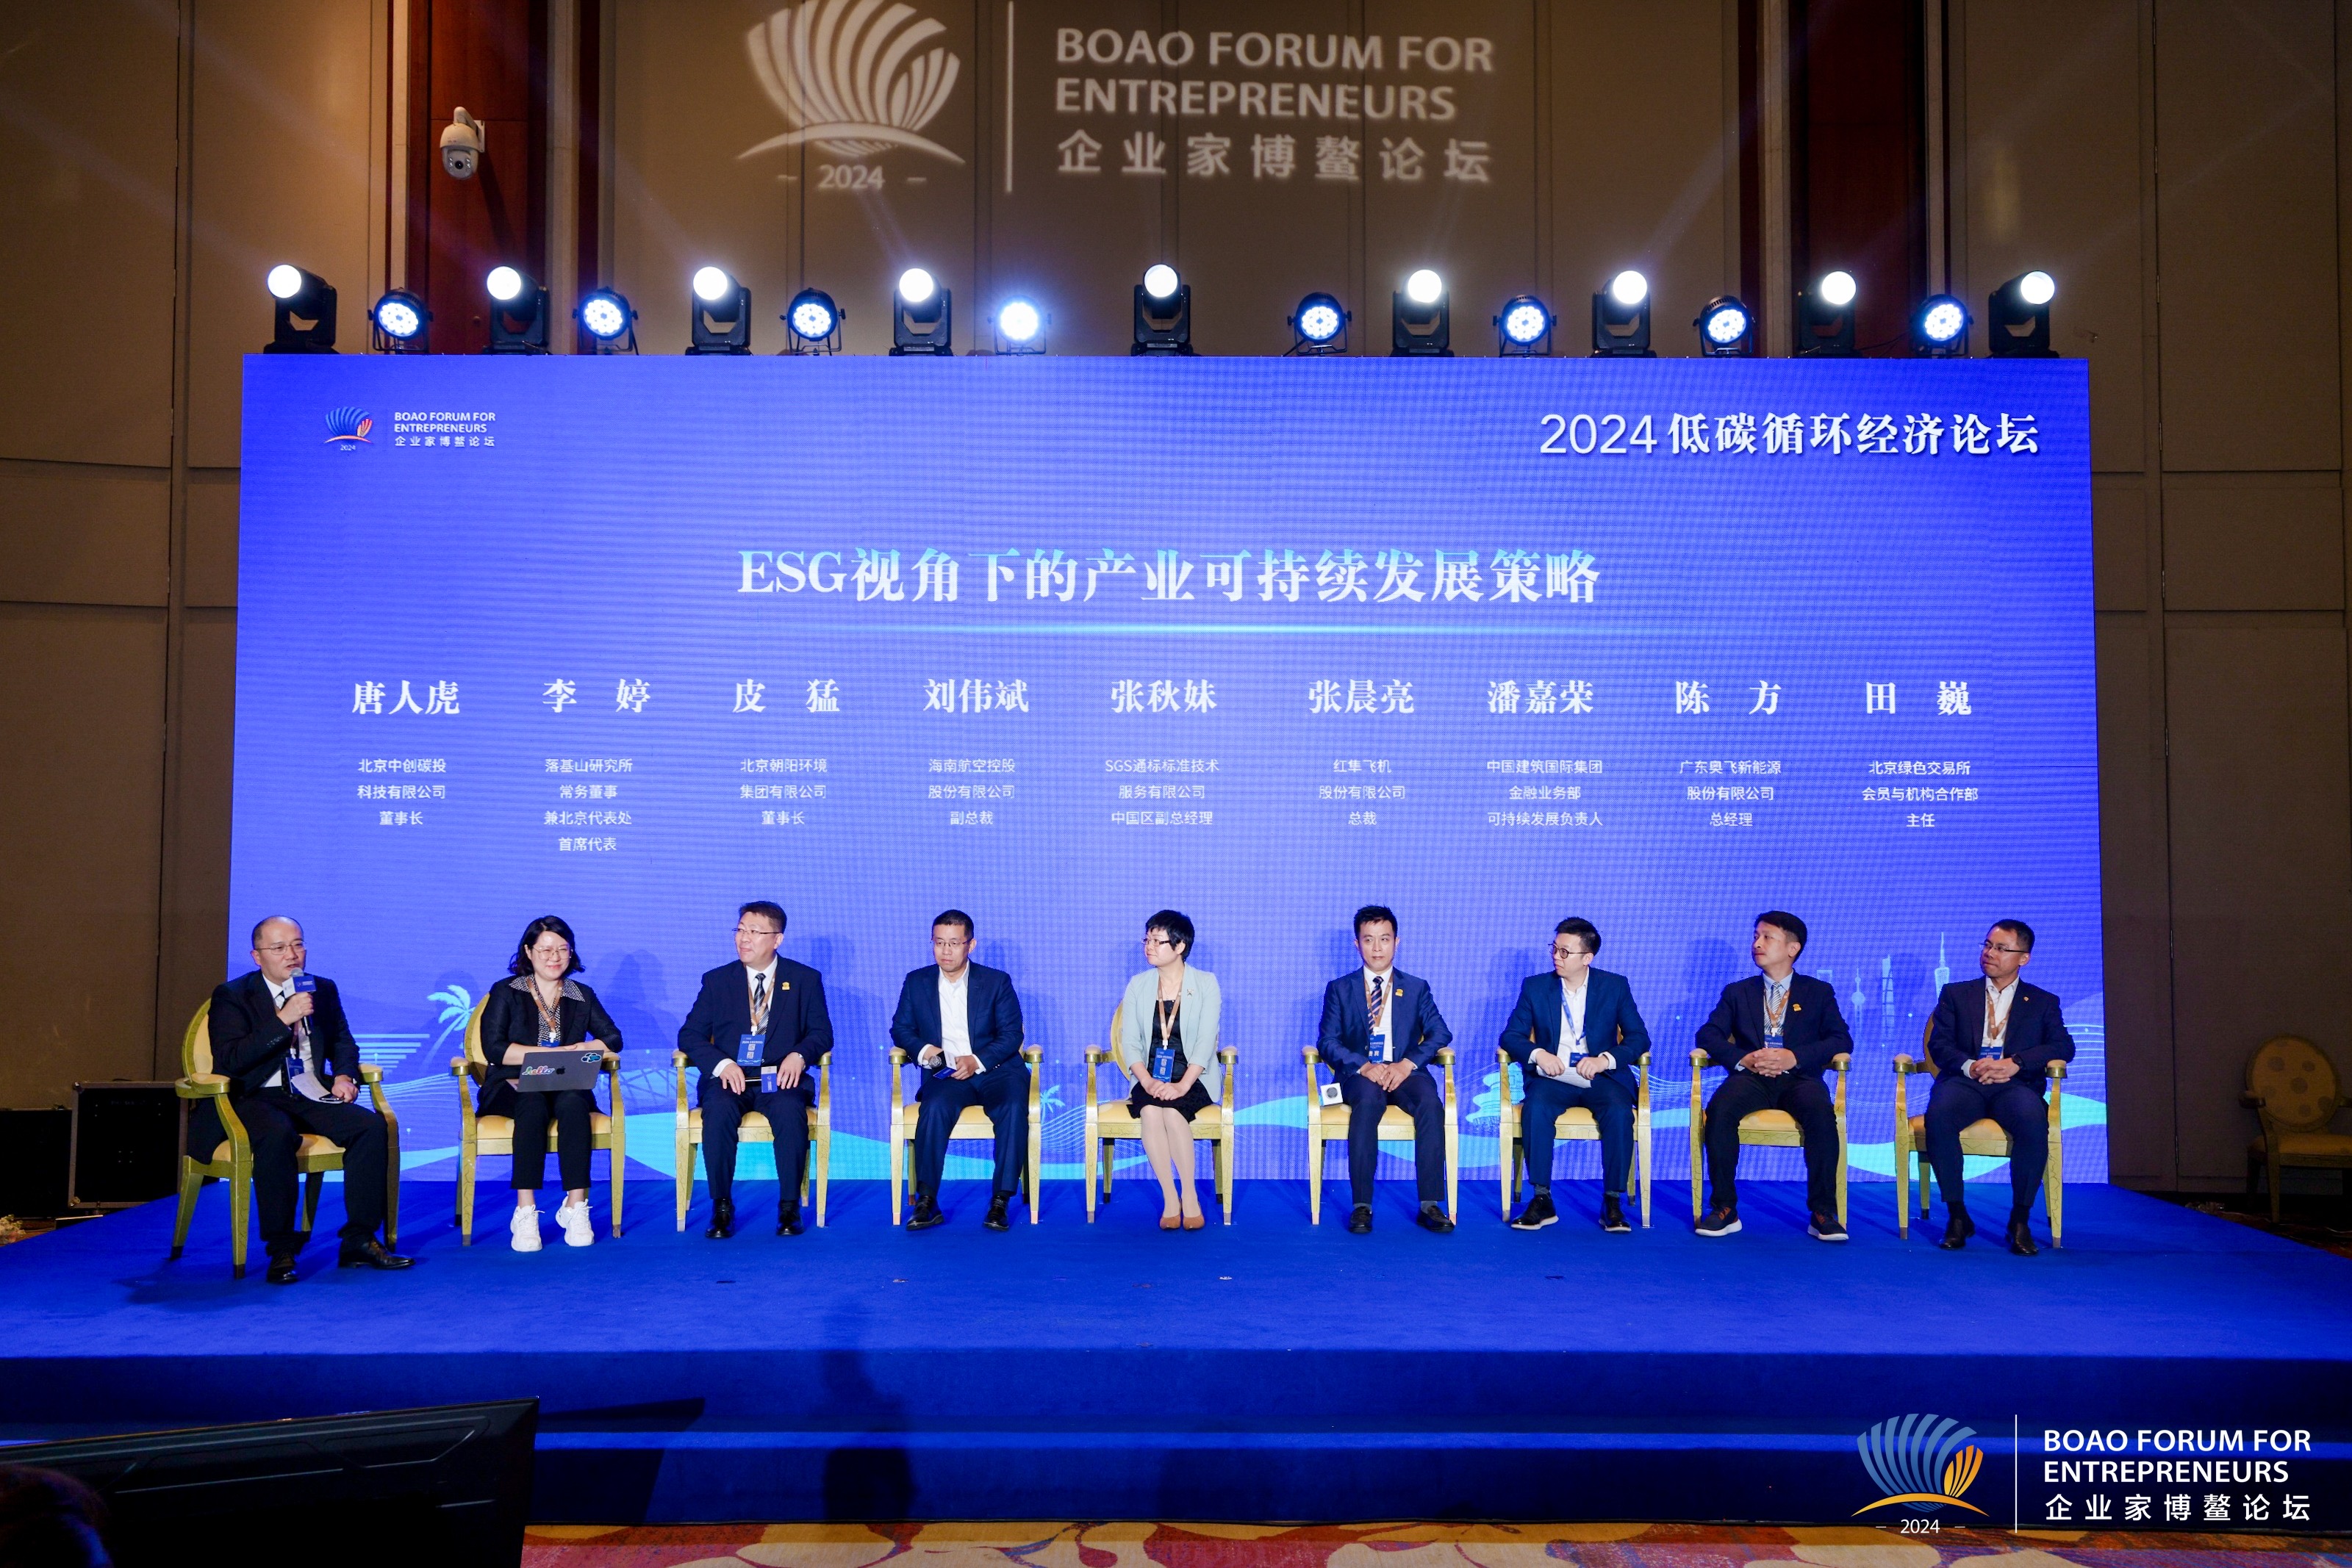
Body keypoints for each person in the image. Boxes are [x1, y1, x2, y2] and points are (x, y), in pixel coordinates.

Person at [194, 917, 411, 1283]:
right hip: (253, 1095)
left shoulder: (321, 988)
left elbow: (342, 1041)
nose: (292, 955)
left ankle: (359, 1239)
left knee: (371, 1127)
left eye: (298, 945)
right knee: (277, 1136)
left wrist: (344, 1075)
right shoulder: (232, 995)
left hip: (309, 1090)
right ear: (257, 956)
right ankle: (282, 1249)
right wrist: (283, 1019)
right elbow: (230, 1061)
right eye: (279, 948)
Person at [678, 900, 834, 1239]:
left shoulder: (804, 979)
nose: (743, 938)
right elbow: (689, 1035)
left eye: (754, 932)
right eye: (740, 930)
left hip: (780, 1077)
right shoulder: (718, 980)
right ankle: (721, 1206)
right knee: (718, 1111)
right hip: (731, 1078)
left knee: (789, 1110)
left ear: (777, 939)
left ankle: (789, 1206)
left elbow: (822, 1033)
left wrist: (799, 1055)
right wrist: (722, 1064)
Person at [1694, 910, 1854, 1241]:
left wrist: (1794, 1057)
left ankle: (1823, 1212)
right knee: (1720, 1111)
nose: (1757, 943)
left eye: (1767, 937)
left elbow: (1841, 1039)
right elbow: (1708, 1034)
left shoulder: (1818, 992)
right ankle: (1725, 1208)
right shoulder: (1738, 992)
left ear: (1793, 948)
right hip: (1750, 1078)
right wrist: (1744, 1059)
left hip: (1800, 1078)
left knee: (1822, 1117)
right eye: (1756, 936)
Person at [1923, 919, 2076, 1254]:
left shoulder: (2042, 1001)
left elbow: (2063, 1046)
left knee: (2032, 1120)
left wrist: (2016, 1062)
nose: (1989, 953)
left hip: (2014, 1084)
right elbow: (1940, 1044)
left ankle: (2019, 1220)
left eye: (2001, 948)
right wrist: (1971, 1065)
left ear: (2024, 958)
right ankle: (1957, 1215)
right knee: (1939, 1115)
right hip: (1966, 1081)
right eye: (1988, 945)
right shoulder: (1956, 994)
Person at [476, 916, 623, 1252]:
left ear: (571, 953)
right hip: (512, 1083)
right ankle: (525, 1210)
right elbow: (494, 1048)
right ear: (529, 952)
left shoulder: (580, 995)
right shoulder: (507, 991)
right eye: (545, 950)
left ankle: (576, 1205)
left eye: (562, 949)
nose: (554, 957)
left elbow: (614, 1038)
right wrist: (545, 1055)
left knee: (574, 1103)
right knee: (531, 1103)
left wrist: (583, 1047)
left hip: (564, 1081)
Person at [1499, 916, 1650, 1234]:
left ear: (1587, 958)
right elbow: (1510, 1036)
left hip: (1601, 1078)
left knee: (1619, 1112)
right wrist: (1538, 1054)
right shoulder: (1536, 987)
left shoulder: (1614, 986)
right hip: (1553, 1078)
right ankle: (1542, 1198)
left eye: (1565, 952)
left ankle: (1612, 1202)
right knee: (1536, 1108)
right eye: (1554, 949)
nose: (1556, 956)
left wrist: (1605, 1060)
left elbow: (1639, 1038)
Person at [1317, 905, 1455, 1234]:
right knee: (1368, 1101)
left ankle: (1430, 1204)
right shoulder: (1340, 988)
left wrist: (1407, 1064)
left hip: (1406, 1073)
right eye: (1369, 940)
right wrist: (1363, 1065)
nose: (1377, 948)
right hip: (1361, 1076)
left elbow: (1440, 1033)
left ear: (1397, 942)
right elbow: (1327, 1041)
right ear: (1357, 944)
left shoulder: (1417, 987)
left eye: (1384, 939)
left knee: (1430, 1103)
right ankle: (1362, 1205)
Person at [891, 910, 1028, 1231]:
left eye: (954, 943)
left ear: (971, 945)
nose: (946, 951)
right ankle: (927, 1201)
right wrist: (926, 1052)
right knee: (934, 1107)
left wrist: (977, 1060)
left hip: (996, 1070)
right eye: (939, 943)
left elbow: (1011, 1035)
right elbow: (901, 1029)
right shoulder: (917, 981)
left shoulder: (996, 982)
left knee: (1012, 1106)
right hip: (947, 1074)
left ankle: (1000, 1200)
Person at [1114, 910, 1225, 1231]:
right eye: (1146, 940)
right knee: (1151, 1112)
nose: (1148, 947)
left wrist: (1182, 1085)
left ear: (1179, 947)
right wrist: (1146, 1080)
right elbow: (1130, 1041)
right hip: (1149, 1076)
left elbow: (1206, 1041)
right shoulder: (1139, 985)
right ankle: (1169, 1198)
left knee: (1174, 1113)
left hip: (1194, 1077)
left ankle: (1189, 1195)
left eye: (1157, 941)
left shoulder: (1206, 983)